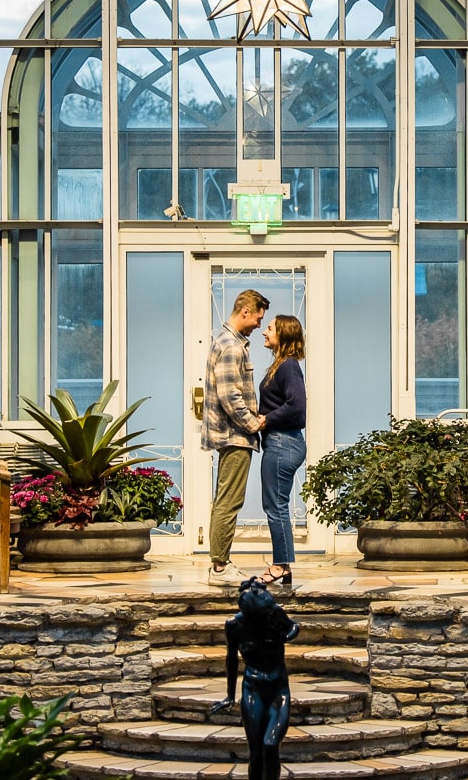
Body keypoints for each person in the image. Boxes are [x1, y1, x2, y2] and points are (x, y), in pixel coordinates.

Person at [204, 288, 269, 586]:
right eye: (258, 318)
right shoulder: (231, 345)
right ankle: (219, 567)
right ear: (245, 311)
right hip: (235, 436)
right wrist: (253, 424)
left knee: (226, 499)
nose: (259, 324)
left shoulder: (229, 341)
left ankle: (220, 563)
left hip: (233, 435)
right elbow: (230, 395)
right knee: (229, 501)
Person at [209, 577, 299, 780]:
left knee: (270, 744)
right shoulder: (234, 625)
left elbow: (295, 627)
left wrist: (285, 637)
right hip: (252, 688)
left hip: (278, 690)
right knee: (256, 751)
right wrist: (230, 696)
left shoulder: (274, 613)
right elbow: (231, 660)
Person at [257, 315, 306, 588]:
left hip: (283, 442)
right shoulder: (281, 365)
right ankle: (283, 567)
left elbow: (297, 406)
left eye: (270, 328)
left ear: (284, 335)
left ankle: (279, 565)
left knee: (276, 506)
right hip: (282, 442)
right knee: (277, 505)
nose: (264, 332)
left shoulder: (288, 366)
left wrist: (266, 419)